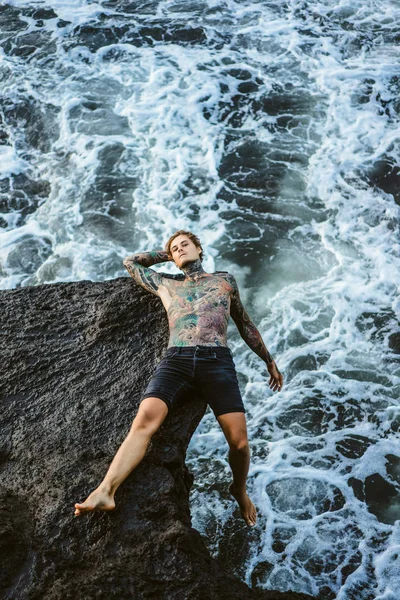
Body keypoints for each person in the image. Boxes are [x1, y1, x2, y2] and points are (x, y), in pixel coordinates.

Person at [74, 230, 283, 526]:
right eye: (175, 248)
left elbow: (245, 323)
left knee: (239, 443)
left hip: (217, 362)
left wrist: (269, 361)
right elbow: (131, 262)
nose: (180, 249)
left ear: (199, 249)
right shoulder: (165, 284)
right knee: (144, 421)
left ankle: (239, 488)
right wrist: (167, 254)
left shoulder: (224, 281)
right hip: (177, 360)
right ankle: (105, 491)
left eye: (186, 244)